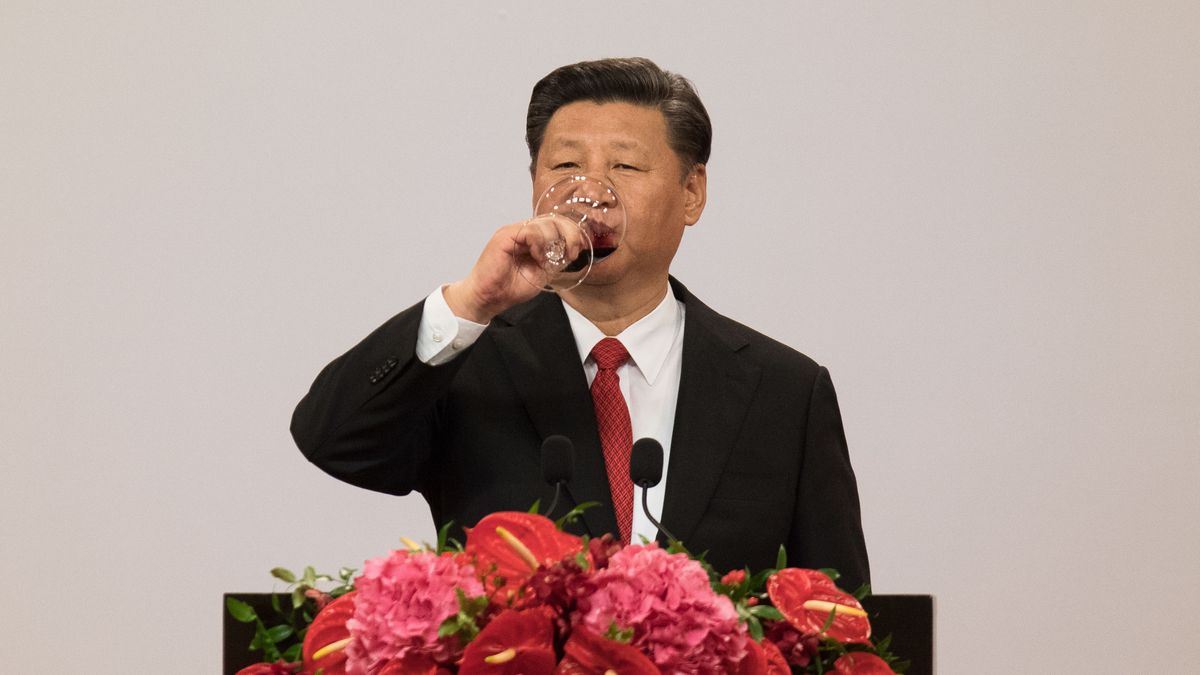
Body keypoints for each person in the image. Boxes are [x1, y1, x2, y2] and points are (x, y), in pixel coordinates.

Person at [291, 57, 870, 590]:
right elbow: (333, 441)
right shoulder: (467, 363)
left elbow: (838, 614)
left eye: (625, 165)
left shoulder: (785, 392)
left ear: (692, 192)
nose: (591, 194)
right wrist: (471, 302)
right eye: (565, 166)